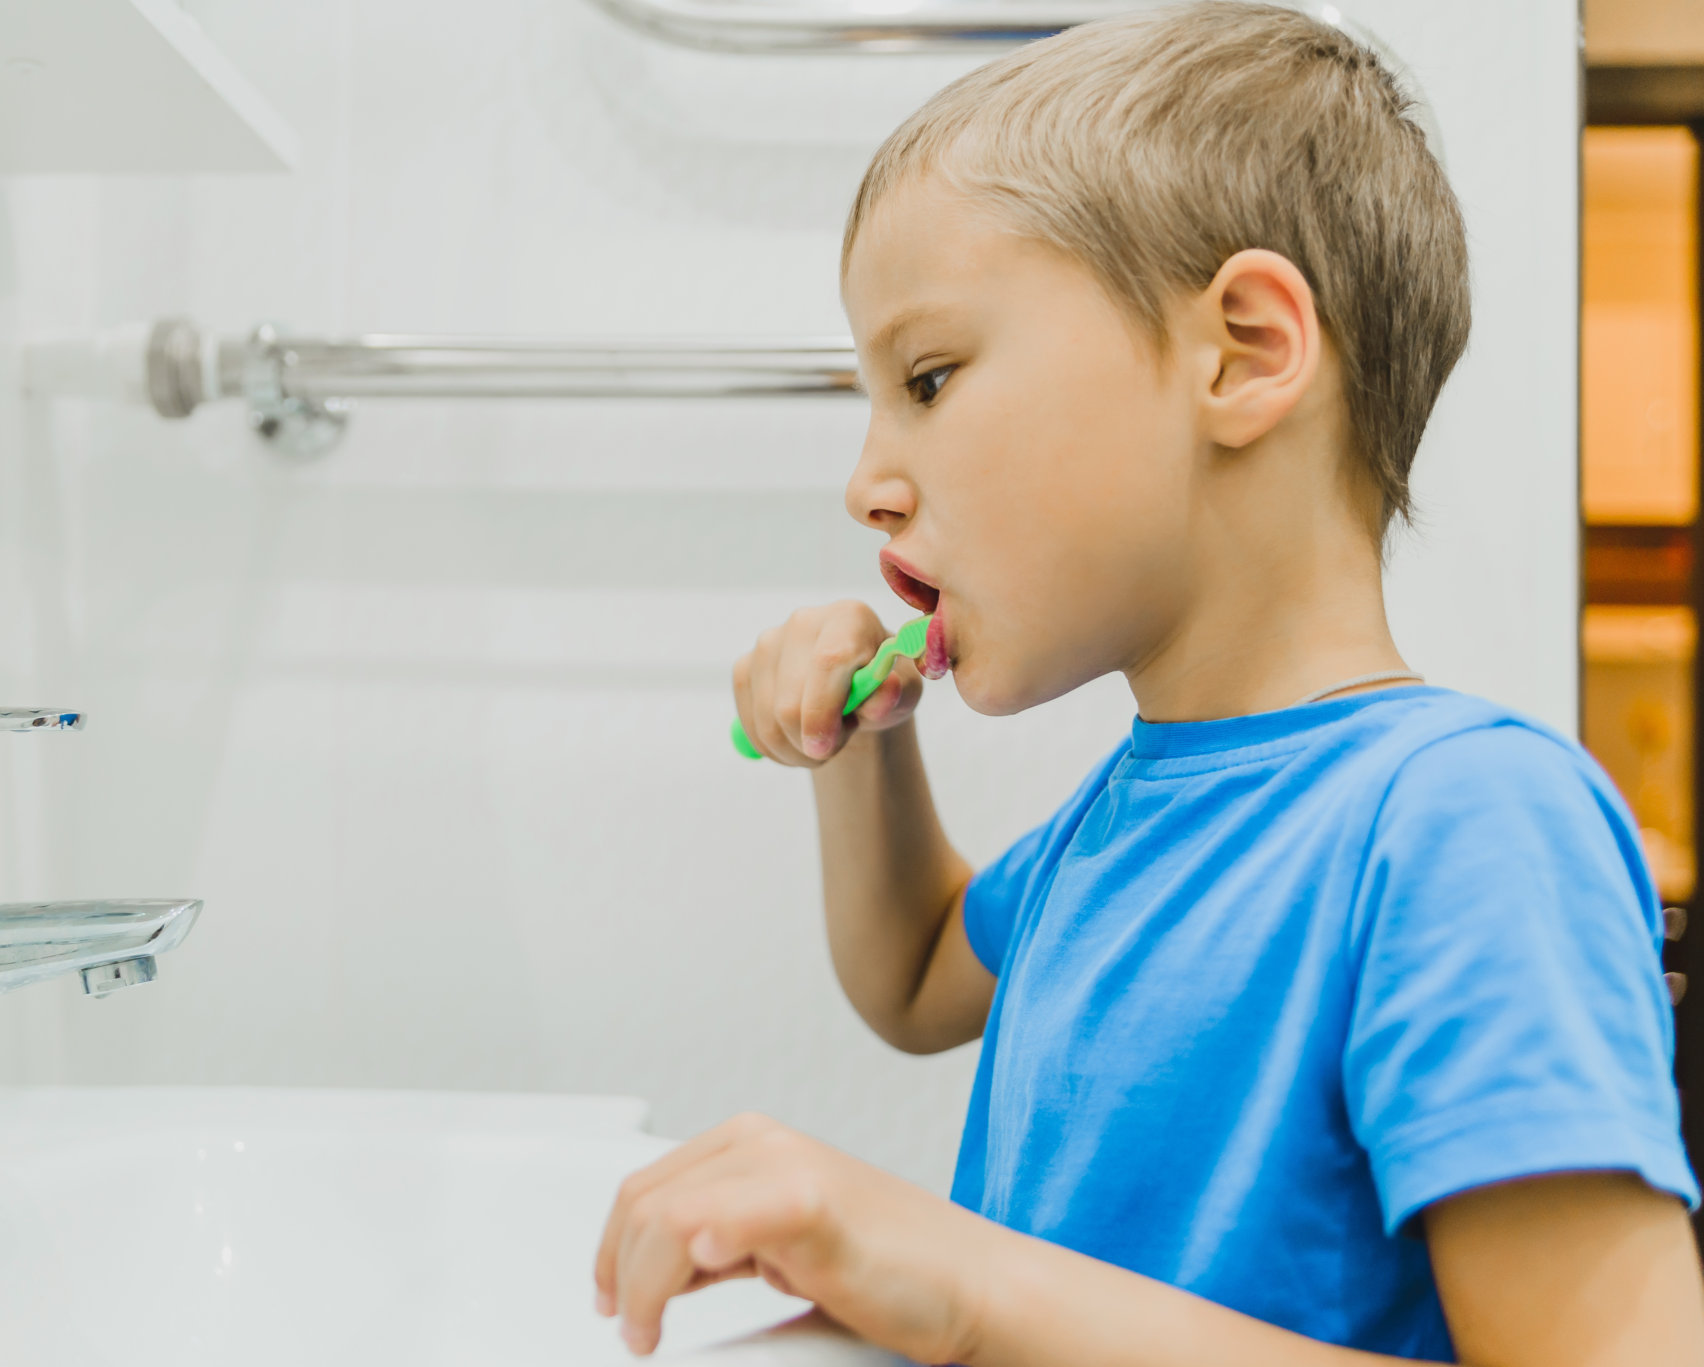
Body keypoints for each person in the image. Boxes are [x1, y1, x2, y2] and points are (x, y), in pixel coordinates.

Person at [591, 5, 1704, 1363]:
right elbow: (917, 972)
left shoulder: (1463, 824)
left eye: (929, 378)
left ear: (1242, 348)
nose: (867, 485)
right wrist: (872, 746)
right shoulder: (1124, 817)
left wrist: (968, 1289)